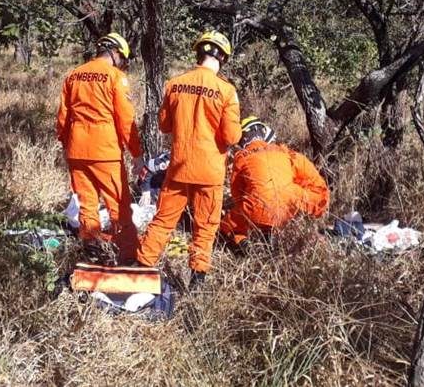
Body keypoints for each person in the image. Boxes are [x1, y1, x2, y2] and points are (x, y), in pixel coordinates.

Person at [136, 31, 241, 289]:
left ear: (198, 52)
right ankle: (197, 282)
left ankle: (140, 269)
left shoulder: (175, 84)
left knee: (163, 221)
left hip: (179, 168)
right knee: (205, 226)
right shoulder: (227, 91)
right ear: (223, 57)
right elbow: (232, 136)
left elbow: (164, 125)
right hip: (210, 172)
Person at [56, 33, 142, 262]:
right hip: (105, 151)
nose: (122, 64)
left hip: (77, 149)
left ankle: (91, 252)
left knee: (87, 204)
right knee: (119, 205)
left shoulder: (74, 75)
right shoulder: (115, 77)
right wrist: (136, 153)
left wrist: (66, 145)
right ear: (115, 53)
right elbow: (126, 120)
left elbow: (63, 117)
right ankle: (128, 257)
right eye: (122, 59)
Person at [219, 116, 329, 250]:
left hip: (256, 207)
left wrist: (247, 210)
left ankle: (242, 242)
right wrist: (313, 206)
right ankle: (272, 234)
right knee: (288, 192)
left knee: (227, 224)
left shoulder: (242, 157)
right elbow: (313, 179)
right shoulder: (286, 153)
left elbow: (237, 194)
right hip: (291, 208)